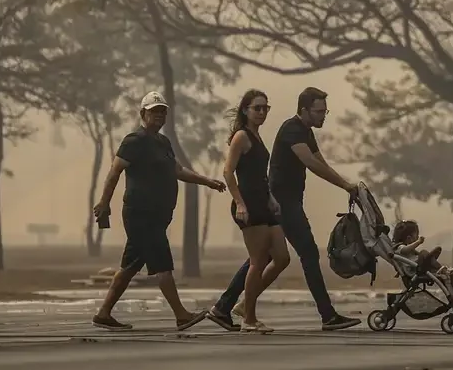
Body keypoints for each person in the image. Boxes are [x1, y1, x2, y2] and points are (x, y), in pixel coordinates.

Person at [207, 87, 362, 332]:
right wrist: (343, 184)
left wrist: (347, 184)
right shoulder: (292, 129)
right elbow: (310, 163)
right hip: (281, 201)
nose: (323, 116)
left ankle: (227, 306)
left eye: (325, 111)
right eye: (319, 111)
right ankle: (327, 315)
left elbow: (319, 159)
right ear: (304, 110)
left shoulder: (304, 132)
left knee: (269, 258)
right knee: (306, 254)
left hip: (276, 200)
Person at [91, 91, 227, 331]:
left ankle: (103, 313)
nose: (159, 115)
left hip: (157, 215)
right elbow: (114, 172)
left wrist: (208, 181)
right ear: (143, 113)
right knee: (163, 264)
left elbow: (178, 170)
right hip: (141, 213)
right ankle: (181, 315)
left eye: (163, 111)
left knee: (130, 266)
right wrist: (104, 203)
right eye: (154, 111)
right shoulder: (133, 141)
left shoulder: (163, 143)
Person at [223, 89, 290, 333]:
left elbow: (260, 175)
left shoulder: (257, 136)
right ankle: (249, 318)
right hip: (248, 204)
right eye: (257, 108)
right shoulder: (241, 136)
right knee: (258, 261)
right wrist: (240, 203)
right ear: (245, 110)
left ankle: (244, 304)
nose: (262, 112)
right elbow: (228, 172)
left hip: (264, 202)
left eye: (265, 108)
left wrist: (271, 198)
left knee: (282, 258)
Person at [391, 220, 453, 301]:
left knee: (451, 272)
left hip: (419, 267)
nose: (417, 238)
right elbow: (405, 250)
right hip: (414, 270)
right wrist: (418, 242)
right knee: (423, 253)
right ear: (409, 238)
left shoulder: (411, 251)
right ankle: (440, 269)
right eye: (416, 236)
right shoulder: (399, 247)